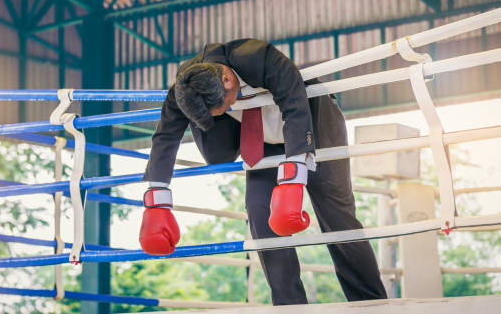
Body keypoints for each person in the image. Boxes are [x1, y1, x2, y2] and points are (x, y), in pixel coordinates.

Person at [138, 38, 387, 304]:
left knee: (337, 216)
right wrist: (156, 199)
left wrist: (293, 178)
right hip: (263, 140)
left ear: (226, 79)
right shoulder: (187, 83)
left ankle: (371, 302)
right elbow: (165, 136)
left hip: (312, 121)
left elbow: (295, 105)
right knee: (259, 211)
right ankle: (289, 307)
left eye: (223, 107)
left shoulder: (257, 56)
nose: (225, 111)